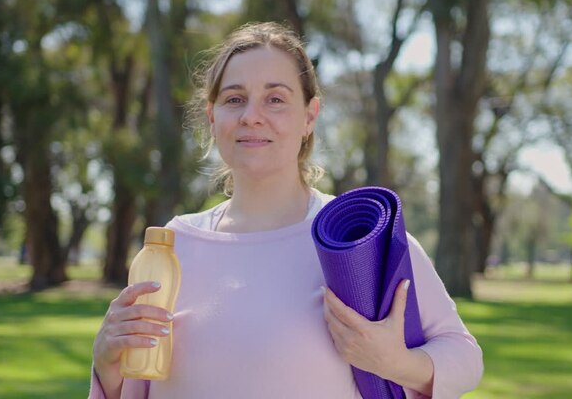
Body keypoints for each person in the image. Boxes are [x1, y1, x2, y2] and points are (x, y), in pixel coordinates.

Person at [89, 21, 482, 399]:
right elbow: (135, 383)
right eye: (234, 99)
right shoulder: (172, 247)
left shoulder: (355, 240)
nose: (251, 116)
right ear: (212, 117)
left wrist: (397, 363)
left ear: (310, 116)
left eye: (275, 99)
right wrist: (107, 362)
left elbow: (464, 356)